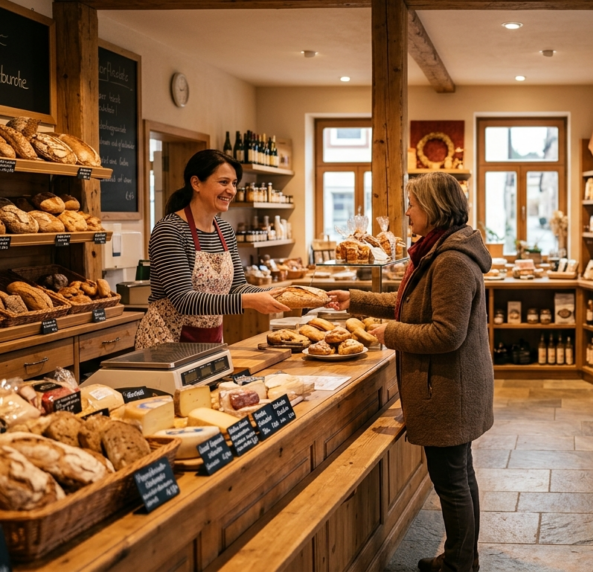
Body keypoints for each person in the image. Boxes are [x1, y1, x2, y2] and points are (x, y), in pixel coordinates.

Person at [327, 172, 493, 572]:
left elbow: (446, 333)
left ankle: (457, 566)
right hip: (452, 387)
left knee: (452, 482)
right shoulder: (438, 250)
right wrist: (356, 299)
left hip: (450, 390)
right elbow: (411, 304)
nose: (407, 212)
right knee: (460, 476)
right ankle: (462, 559)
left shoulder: (451, 260)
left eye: (413, 205)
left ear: (434, 209)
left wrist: (389, 334)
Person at [135, 150, 289, 349]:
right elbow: (184, 300)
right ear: (196, 183)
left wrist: (276, 294)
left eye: (234, 183)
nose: (232, 191)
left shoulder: (224, 230)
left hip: (210, 342)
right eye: (223, 182)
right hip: (166, 345)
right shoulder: (170, 230)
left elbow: (237, 287)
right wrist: (250, 301)